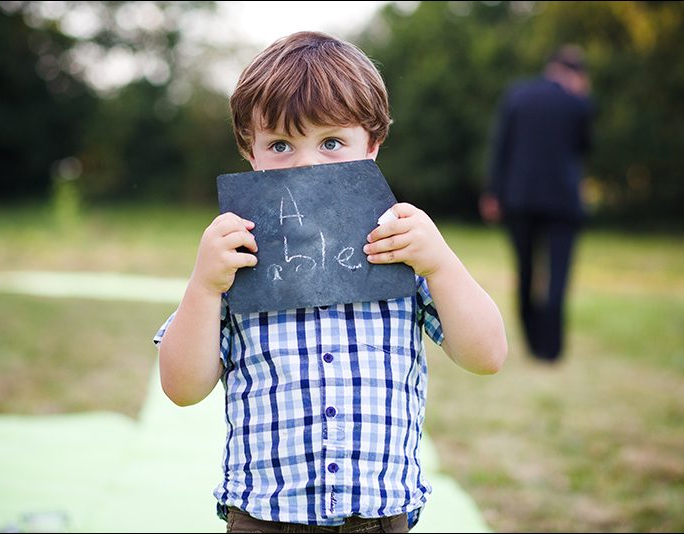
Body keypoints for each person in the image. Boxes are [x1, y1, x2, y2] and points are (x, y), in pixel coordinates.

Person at [155, 31, 507, 533]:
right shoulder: (238, 260)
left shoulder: (401, 250)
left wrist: (442, 265)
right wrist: (204, 287)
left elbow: (487, 355)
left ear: (373, 145)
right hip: (265, 517)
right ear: (249, 153)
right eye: (280, 144)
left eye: (332, 143)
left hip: (379, 516)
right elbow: (183, 388)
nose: (307, 163)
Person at [480, 45, 593, 363]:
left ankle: (531, 344)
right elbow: (585, 146)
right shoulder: (578, 102)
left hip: (520, 199)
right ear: (576, 74)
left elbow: (501, 146)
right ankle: (551, 349)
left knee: (526, 272)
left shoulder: (518, 95)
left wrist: (492, 192)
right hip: (563, 202)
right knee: (557, 276)